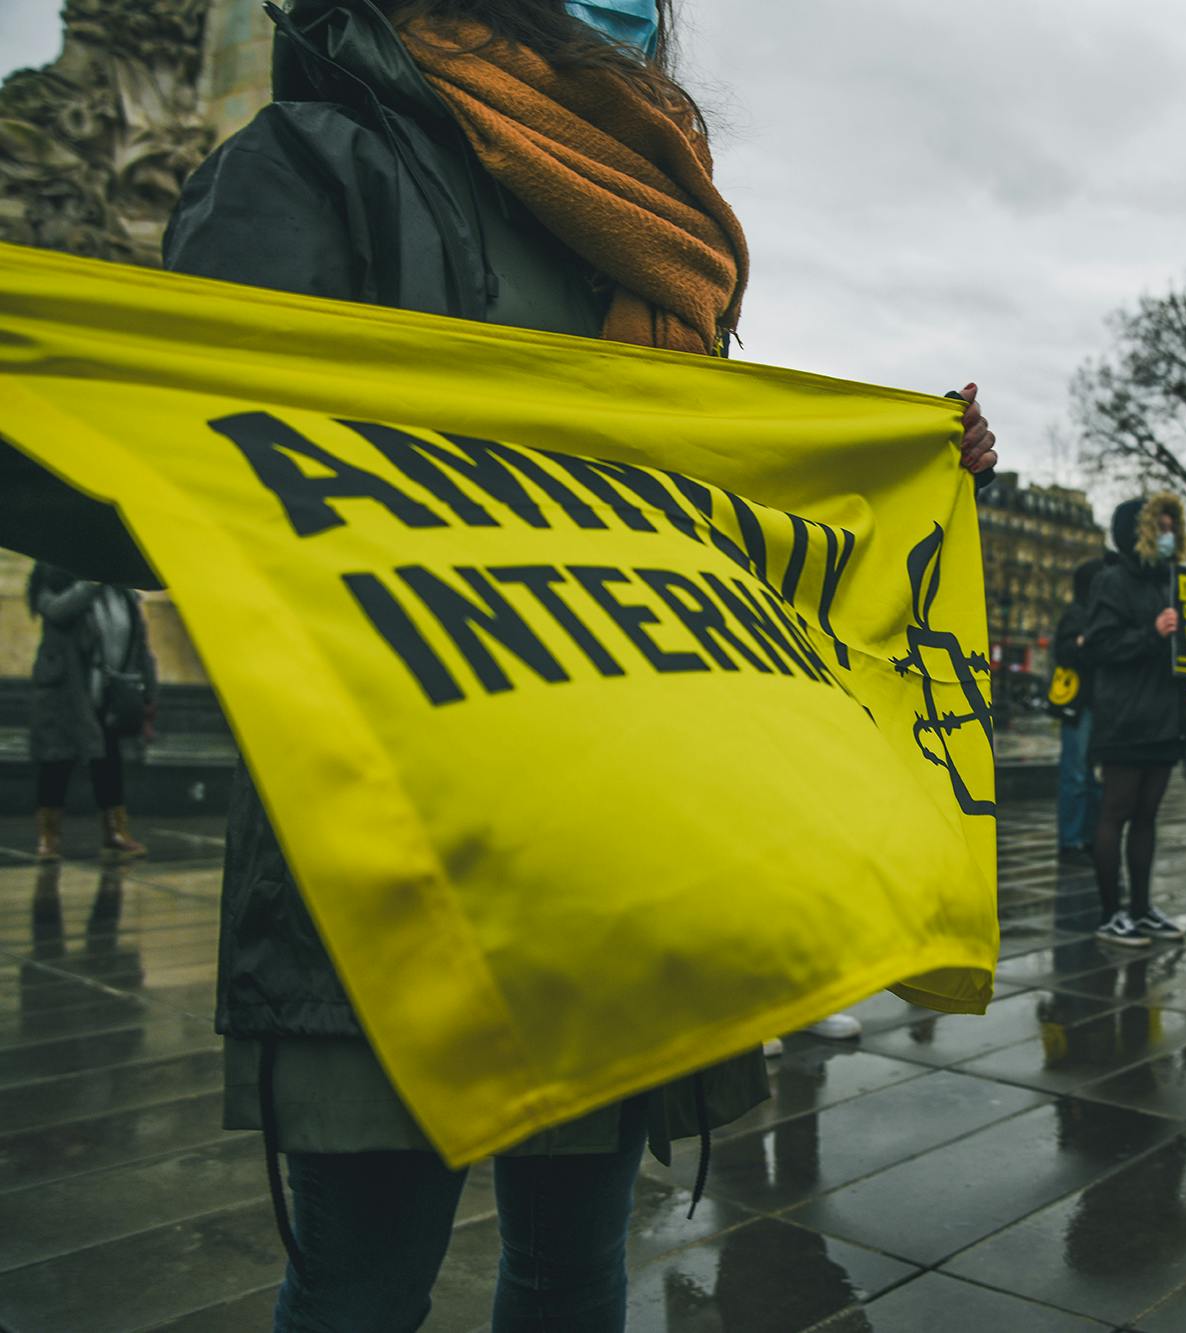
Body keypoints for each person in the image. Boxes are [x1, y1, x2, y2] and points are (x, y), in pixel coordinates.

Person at [159, 3, 999, 1327]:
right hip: (398, 843)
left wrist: (886, 480)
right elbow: (182, 469)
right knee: (365, 1280)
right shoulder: (317, 159)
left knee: (572, 1267)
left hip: (621, 850)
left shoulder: (667, 233)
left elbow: (707, 528)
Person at [1085, 493, 1186, 947]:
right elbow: (1100, 646)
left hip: (1165, 715)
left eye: (1175, 526)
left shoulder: (1173, 582)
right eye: (1163, 526)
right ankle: (1110, 912)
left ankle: (1141, 908)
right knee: (1116, 811)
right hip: (1125, 718)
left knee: (1148, 816)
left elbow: (1178, 647)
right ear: (1141, 532)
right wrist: (1152, 633)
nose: (1171, 535)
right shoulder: (1112, 581)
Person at [27, 563, 155, 862]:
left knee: (109, 763)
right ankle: (49, 837)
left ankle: (115, 831)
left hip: (109, 696)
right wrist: (90, 582)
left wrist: (149, 691)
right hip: (67, 693)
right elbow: (56, 611)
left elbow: (139, 645)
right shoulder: (53, 576)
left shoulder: (124, 595)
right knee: (56, 762)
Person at [1052, 557, 1105, 863]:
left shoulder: (1089, 612)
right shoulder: (1077, 614)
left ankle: (1084, 838)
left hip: (1094, 704)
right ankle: (1072, 841)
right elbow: (1065, 652)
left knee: (1089, 775)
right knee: (1076, 773)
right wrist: (1084, 642)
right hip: (1081, 705)